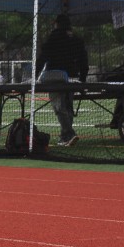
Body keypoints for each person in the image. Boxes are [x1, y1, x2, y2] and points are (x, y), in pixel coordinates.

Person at [34, 14, 88, 147]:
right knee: (68, 106)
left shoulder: (53, 38)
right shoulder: (76, 40)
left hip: (56, 77)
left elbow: (42, 58)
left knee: (59, 107)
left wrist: (35, 75)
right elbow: (83, 61)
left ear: (56, 24)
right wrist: (82, 79)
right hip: (72, 77)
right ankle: (65, 136)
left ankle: (68, 133)